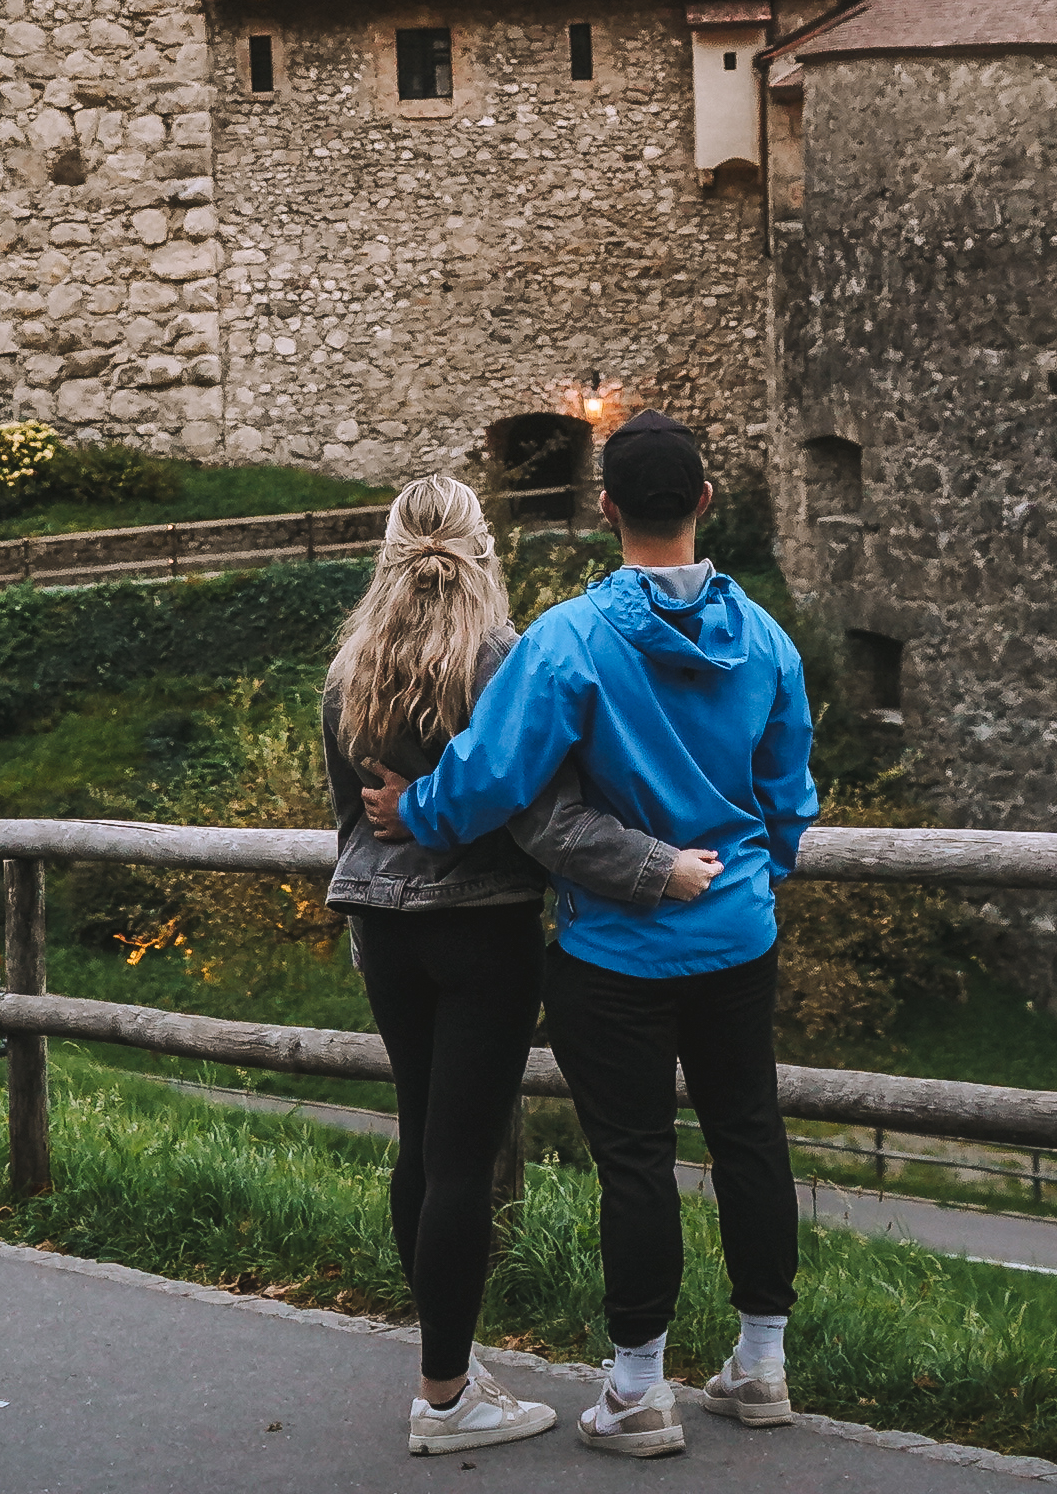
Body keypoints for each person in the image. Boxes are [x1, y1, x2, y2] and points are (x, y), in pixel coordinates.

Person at [369, 414, 816, 1457]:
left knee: (635, 1159)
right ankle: (760, 1364)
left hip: (615, 950)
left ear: (604, 507)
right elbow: (788, 788)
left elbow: (494, 773)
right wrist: (762, 873)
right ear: (705, 498)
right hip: (738, 932)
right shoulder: (766, 639)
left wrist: (415, 810)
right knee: (750, 1135)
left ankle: (638, 1390)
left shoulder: (570, 637)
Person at [321, 473, 717, 1458]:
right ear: (482, 547)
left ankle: (447, 1365)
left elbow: (346, 818)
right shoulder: (499, 658)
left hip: (383, 926)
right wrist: (650, 866)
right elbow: (540, 816)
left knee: (422, 1142)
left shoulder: (349, 666)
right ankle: (445, 1396)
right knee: (464, 1156)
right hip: (481, 926)